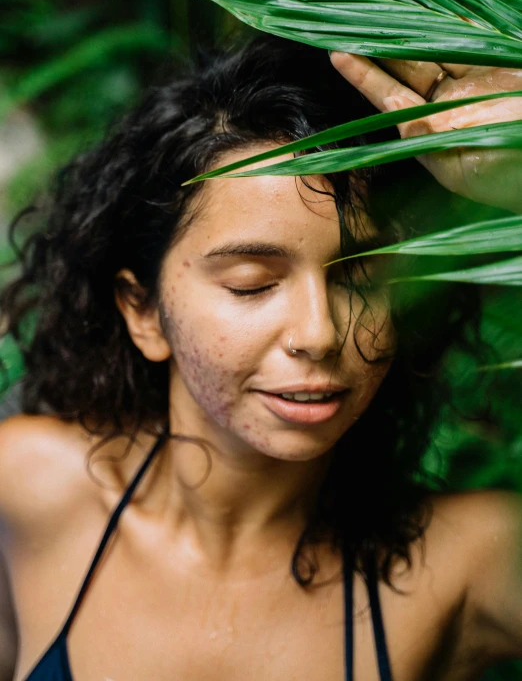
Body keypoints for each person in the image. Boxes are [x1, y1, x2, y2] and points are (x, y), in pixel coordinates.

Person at [0, 35, 521, 681]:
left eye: (361, 276)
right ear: (143, 311)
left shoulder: (473, 559)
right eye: (252, 282)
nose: (318, 332)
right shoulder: (27, 487)